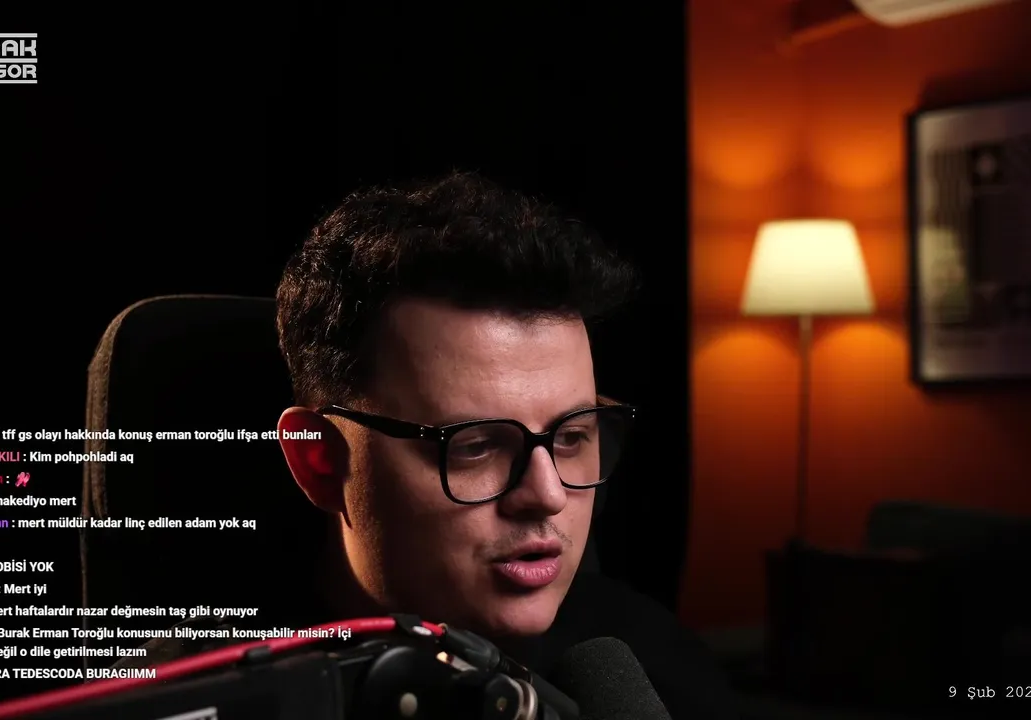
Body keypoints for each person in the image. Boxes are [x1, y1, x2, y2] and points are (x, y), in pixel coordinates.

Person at [120, 172, 739, 718]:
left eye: (573, 436)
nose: (547, 495)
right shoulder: (193, 697)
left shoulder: (648, 664)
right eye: (475, 446)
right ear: (319, 461)